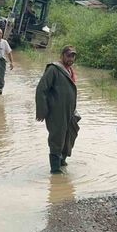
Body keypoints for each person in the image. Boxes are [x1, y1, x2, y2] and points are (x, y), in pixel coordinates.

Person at [36, 45, 81, 174]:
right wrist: (42, 110)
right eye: (68, 55)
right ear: (62, 56)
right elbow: (41, 89)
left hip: (69, 111)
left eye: (73, 56)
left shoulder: (70, 70)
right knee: (57, 136)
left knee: (70, 133)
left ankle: (62, 159)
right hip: (56, 111)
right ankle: (55, 169)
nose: (71, 58)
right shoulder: (53, 69)